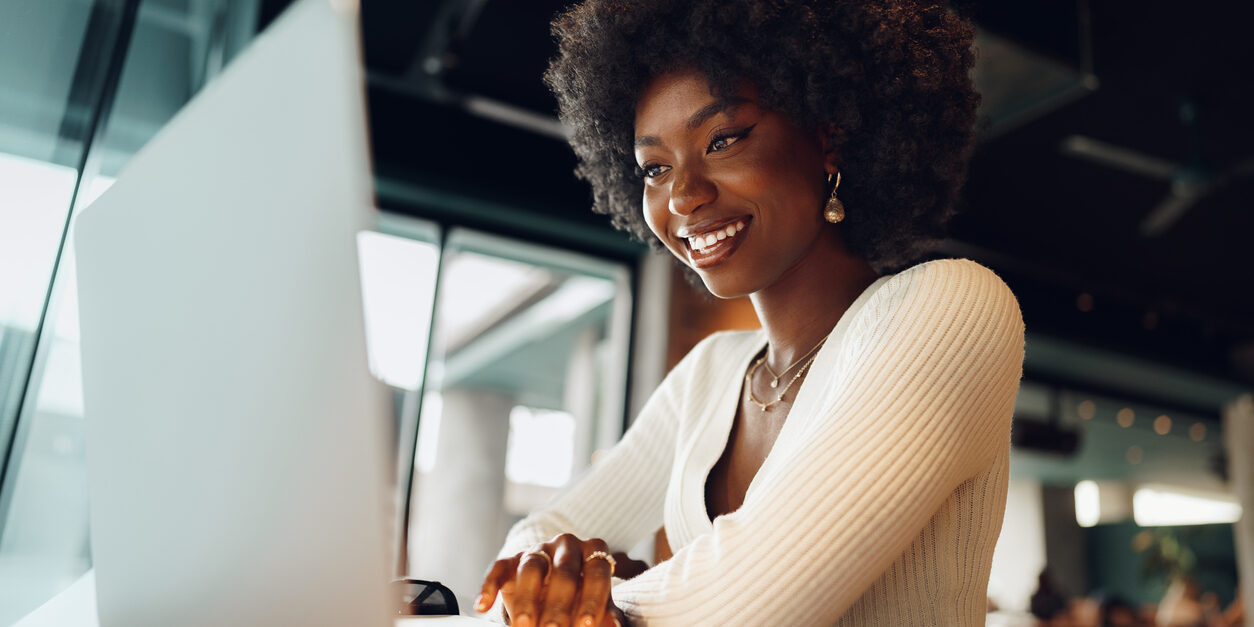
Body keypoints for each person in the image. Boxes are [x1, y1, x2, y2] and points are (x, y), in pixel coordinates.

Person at [475, 1, 1025, 625]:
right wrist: (550, 582)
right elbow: (532, 545)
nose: (682, 195)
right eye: (654, 167)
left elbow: (746, 604)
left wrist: (600, 598)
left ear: (830, 136)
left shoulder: (950, 307)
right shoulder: (710, 373)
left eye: (724, 139)